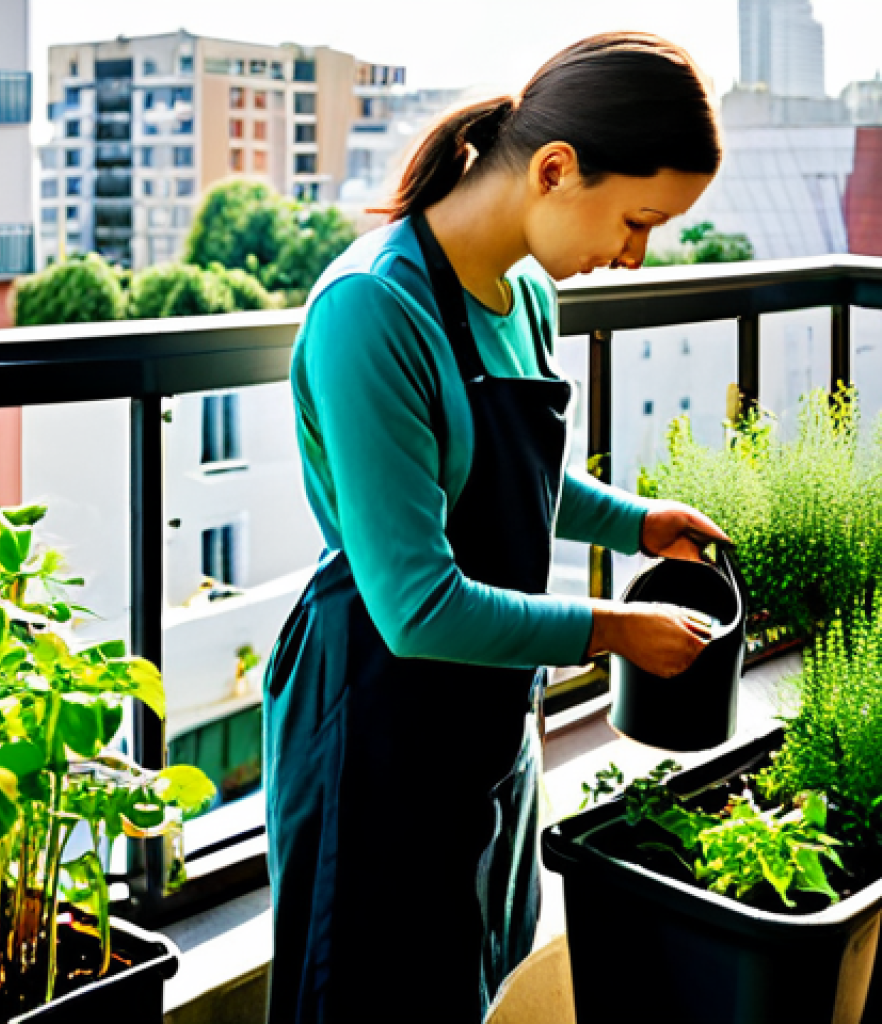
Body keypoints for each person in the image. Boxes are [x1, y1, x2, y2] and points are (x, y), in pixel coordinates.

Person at [264, 31, 730, 1024]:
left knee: (476, 985)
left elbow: (508, 472)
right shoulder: (371, 312)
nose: (634, 255)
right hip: (375, 715)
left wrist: (637, 521)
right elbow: (418, 604)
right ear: (558, 170)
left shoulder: (522, 293)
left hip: (483, 716)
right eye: (637, 220)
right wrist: (612, 629)